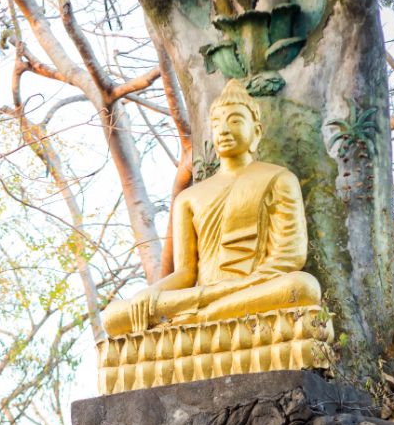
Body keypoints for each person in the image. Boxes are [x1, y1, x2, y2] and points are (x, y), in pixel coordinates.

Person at [101, 79, 321, 338]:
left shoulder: (278, 179)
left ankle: (199, 320)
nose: (224, 130)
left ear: (257, 132)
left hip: (254, 290)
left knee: (302, 286)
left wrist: (235, 289)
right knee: (114, 317)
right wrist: (151, 293)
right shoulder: (189, 198)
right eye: (217, 124)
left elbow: (289, 258)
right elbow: (186, 273)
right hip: (205, 295)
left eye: (236, 121)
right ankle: (207, 317)